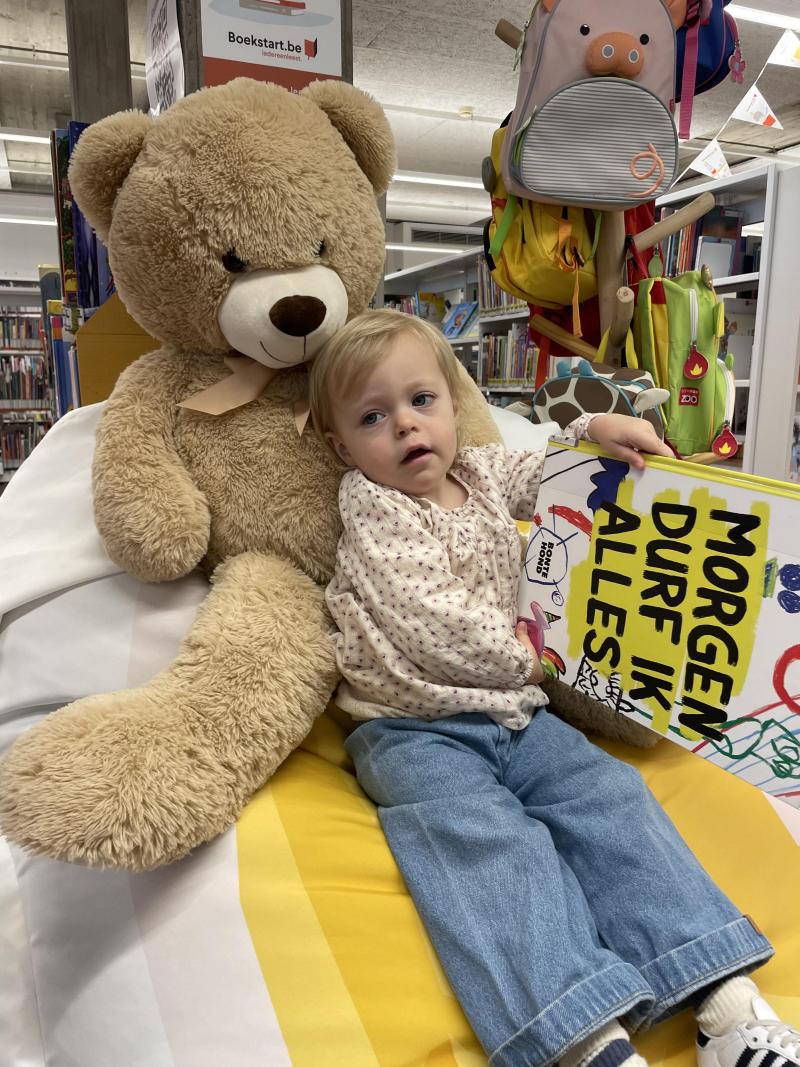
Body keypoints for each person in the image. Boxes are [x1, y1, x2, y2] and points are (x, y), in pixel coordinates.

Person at [308, 309, 796, 1067]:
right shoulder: (374, 506)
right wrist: (533, 657)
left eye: (421, 400)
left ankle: (724, 1003)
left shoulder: (475, 472)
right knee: (489, 846)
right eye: (373, 417)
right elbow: (433, 618)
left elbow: (547, 473)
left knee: (610, 798)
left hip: (517, 713)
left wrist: (596, 432)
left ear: (452, 406)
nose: (405, 425)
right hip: (414, 727)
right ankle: (584, 1037)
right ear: (342, 446)